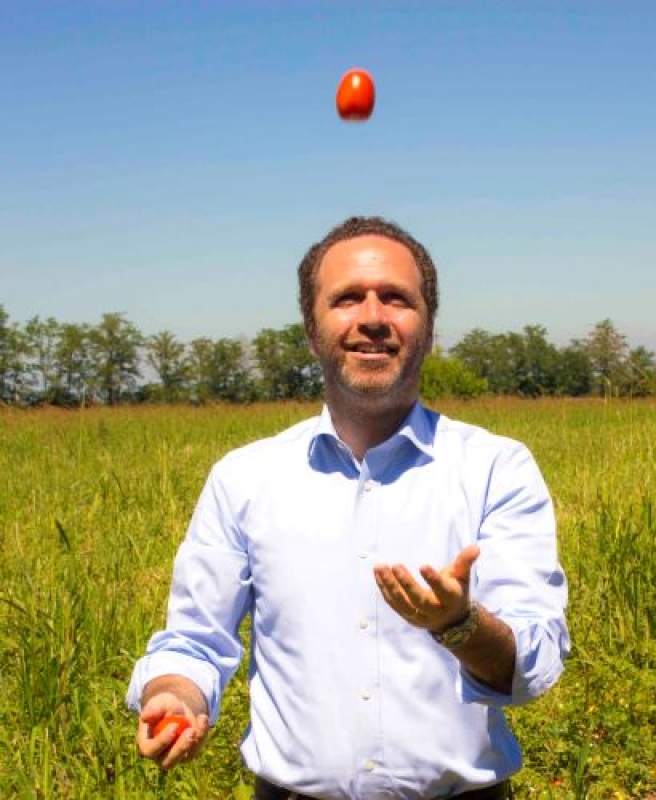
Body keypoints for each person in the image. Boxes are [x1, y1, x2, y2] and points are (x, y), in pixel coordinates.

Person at [127, 216, 570, 799]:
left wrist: (459, 626)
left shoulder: (495, 469)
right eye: (346, 299)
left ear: (429, 328)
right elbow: (196, 641)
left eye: (396, 298)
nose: (372, 317)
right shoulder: (244, 478)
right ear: (312, 331)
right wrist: (176, 695)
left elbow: (530, 662)